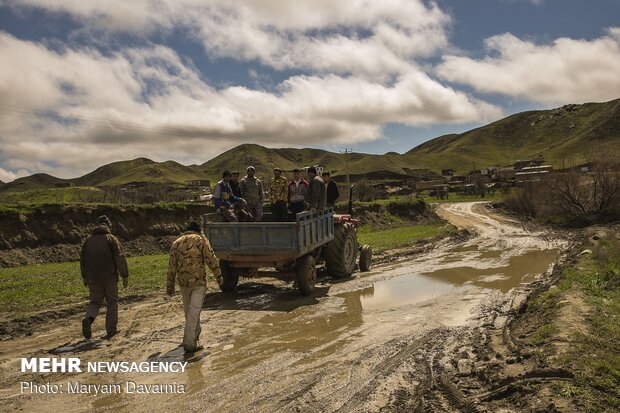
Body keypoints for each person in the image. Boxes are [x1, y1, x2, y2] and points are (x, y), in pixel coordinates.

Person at [167, 221, 222, 353]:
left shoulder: (176, 242)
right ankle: (189, 344)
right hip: (198, 282)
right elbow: (211, 258)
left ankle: (193, 337)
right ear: (199, 230)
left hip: (183, 283)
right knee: (194, 312)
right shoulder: (201, 240)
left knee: (189, 312)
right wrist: (219, 276)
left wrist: (170, 284)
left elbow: (171, 266)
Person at [80, 215, 129, 339]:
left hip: (93, 278)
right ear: (108, 225)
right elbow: (119, 257)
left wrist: (85, 276)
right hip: (110, 277)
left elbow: (82, 260)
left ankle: (88, 319)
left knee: (95, 302)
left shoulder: (88, 240)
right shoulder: (111, 238)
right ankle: (111, 330)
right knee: (112, 302)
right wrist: (124, 275)